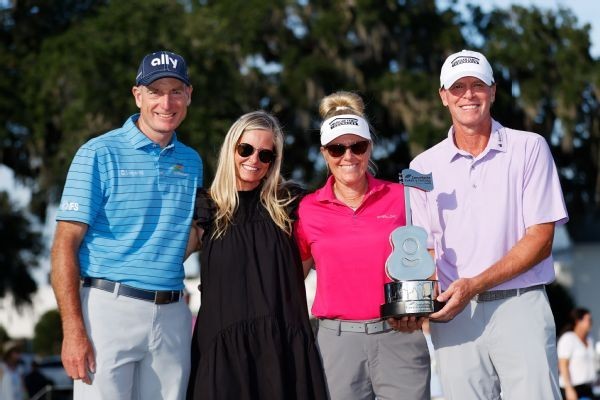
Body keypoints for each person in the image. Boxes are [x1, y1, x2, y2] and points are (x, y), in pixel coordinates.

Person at [409, 49, 569, 399]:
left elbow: (541, 239)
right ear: (443, 97)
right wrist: (417, 302)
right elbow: (424, 250)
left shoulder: (530, 148)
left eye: (477, 85)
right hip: (453, 318)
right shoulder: (421, 167)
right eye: (457, 87)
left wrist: (474, 285)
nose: (468, 94)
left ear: (493, 91)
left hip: (520, 305)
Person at [51, 50, 203, 400]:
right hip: (107, 311)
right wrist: (73, 329)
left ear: (189, 95)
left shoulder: (192, 162)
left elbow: (184, 238)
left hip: (173, 316)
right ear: (138, 95)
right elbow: (64, 243)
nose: (166, 102)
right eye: (155, 91)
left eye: (176, 91)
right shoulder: (97, 153)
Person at [294, 91, 431, 400]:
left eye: (357, 146)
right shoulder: (307, 209)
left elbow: (431, 256)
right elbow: (292, 277)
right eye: (336, 148)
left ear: (370, 147)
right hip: (336, 343)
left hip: (400, 335)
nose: (348, 156)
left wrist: (420, 307)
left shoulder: (404, 197)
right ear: (323, 153)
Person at [186, 111, 328, 400]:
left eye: (266, 155)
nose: (254, 160)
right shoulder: (206, 208)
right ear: (231, 148)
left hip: (282, 350)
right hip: (222, 352)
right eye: (246, 149)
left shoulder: (291, 205)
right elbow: (164, 260)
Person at [558, 308, 599, 400]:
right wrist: (569, 389)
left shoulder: (590, 339)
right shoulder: (568, 338)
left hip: (588, 388)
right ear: (578, 321)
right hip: (573, 388)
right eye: (588, 319)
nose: (591, 322)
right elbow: (563, 364)